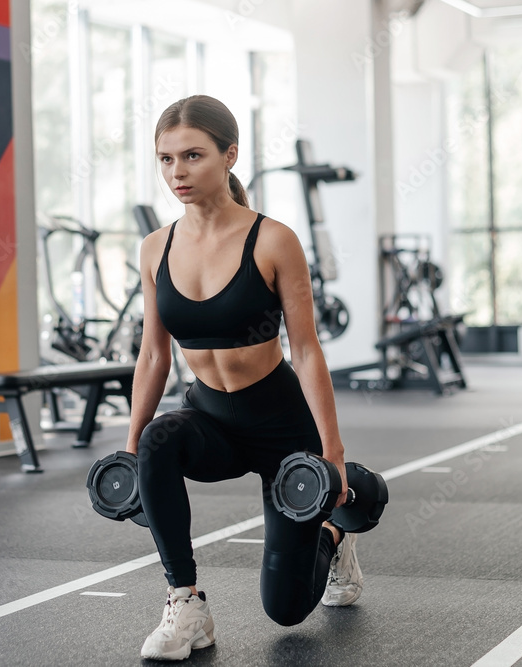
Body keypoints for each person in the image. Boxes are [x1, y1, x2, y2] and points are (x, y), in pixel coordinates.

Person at [123, 94, 363, 662]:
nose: (176, 172)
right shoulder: (156, 248)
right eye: (165, 159)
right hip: (213, 422)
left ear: (230, 155)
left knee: (285, 610)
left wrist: (331, 452)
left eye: (192, 156)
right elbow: (154, 356)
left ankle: (341, 527)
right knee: (160, 439)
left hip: (282, 427)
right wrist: (133, 447)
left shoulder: (273, 239)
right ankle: (186, 603)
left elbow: (305, 350)